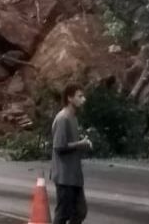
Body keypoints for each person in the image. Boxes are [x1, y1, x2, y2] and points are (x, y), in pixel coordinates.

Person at [51, 83, 93, 224]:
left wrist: (82, 144)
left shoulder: (73, 117)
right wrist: (80, 144)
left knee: (80, 211)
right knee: (63, 213)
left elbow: (70, 144)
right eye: (80, 96)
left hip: (74, 175)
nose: (83, 99)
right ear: (70, 98)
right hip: (64, 175)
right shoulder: (62, 118)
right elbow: (59, 146)